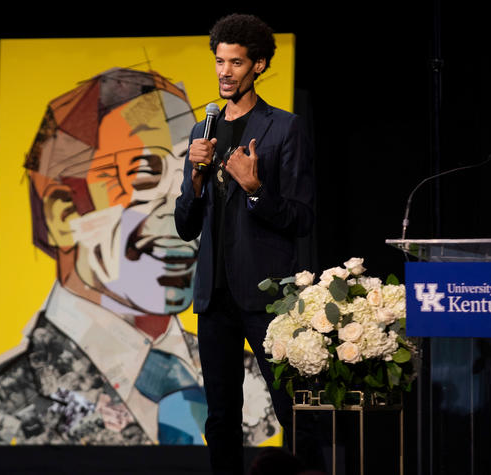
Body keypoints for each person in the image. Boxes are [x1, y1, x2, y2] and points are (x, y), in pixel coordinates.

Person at [0, 68, 279, 446]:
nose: (180, 219)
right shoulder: (7, 405)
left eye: (190, 176)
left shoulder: (254, 380)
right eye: (144, 176)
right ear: (63, 213)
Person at [175, 14, 317, 474]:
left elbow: (302, 218)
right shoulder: (203, 131)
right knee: (219, 418)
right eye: (219, 61)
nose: (224, 72)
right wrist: (195, 180)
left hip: (265, 296)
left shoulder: (284, 128)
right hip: (214, 293)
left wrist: (256, 190)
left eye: (236, 63)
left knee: (290, 408)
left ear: (258, 66)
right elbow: (184, 225)